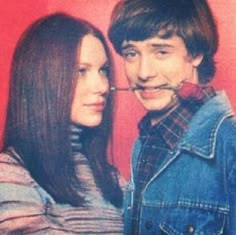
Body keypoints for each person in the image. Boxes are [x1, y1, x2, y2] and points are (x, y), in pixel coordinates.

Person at [108, 0, 236, 234]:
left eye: (161, 51)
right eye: (131, 53)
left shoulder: (230, 145)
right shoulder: (144, 142)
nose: (144, 72)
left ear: (195, 54)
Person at [0, 13, 124, 234]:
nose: (102, 86)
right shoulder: (10, 173)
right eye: (81, 71)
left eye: (103, 71)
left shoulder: (111, 179)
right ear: (43, 79)